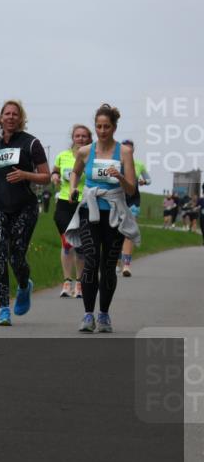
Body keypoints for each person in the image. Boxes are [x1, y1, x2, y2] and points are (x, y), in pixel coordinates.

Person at [0, 100, 50, 326]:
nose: (11, 117)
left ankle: (25, 285)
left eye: (15, 114)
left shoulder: (31, 143)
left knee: (16, 256)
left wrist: (26, 175)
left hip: (24, 207)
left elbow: (45, 176)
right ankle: (3, 309)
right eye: (7, 113)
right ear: (1, 117)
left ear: (21, 118)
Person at [65, 104, 140, 334]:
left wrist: (119, 176)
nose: (102, 130)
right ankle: (88, 314)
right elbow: (76, 171)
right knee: (91, 260)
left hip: (114, 212)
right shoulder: (85, 151)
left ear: (114, 127)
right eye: (98, 126)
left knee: (108, 265)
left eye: (107, 126)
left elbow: (130, 190)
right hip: (90, 209)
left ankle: (104, 315)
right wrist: (73, 188)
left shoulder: (125, 152)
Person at [50, 124, 92, 298]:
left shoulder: (93, 157)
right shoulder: (63, 156)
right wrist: (54, 176)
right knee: (67, 244)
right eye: (77, 136)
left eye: (84, 136)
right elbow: (55, 172)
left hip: (84, 203)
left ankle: (79, 284)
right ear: (73, 138)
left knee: (81, 246)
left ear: (89, 139)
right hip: (64, 202)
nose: (80, 139)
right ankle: (67, 282)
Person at [118, 140, 152, 276]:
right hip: (116, 200)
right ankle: (115, 262)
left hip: (133, 201)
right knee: (116, 232)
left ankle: (126, 265)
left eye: (130, 149)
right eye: (125, 149)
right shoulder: (114, 163)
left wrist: (144, 181)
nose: (128, 151)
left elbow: (149, 179)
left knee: (129, 232)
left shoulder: (138, 164)